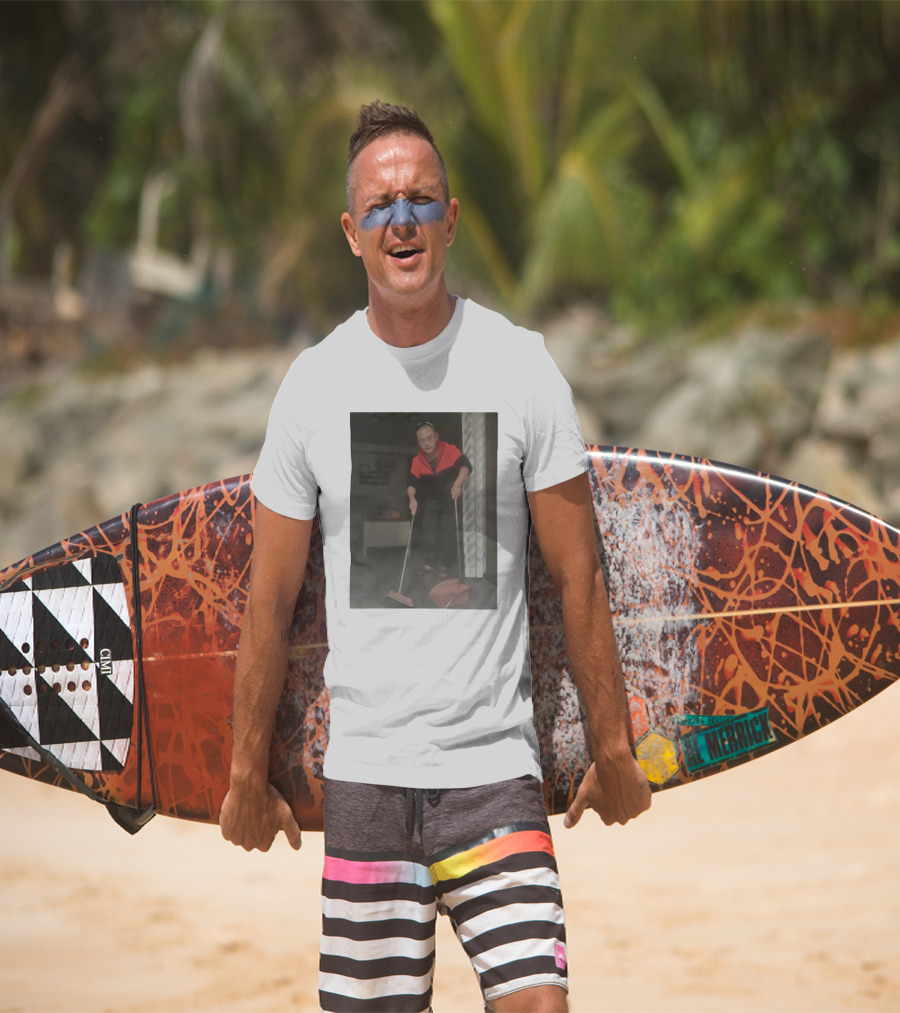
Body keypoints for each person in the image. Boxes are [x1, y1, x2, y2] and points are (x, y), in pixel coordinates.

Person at [220, 100, 651, 1013]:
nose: (402, 220)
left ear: (451, 219)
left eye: (421, 200)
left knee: (540, 1003)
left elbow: (579, 574)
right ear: (351, 232)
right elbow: (269, 600)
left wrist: (612, 746)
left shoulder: (522, 367)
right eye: (380, 206)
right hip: (368, 779)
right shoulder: (314, 387)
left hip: (495, 772)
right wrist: (242, 773)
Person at [407, 421, 471, 577]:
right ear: (418, 442)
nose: (426, 443)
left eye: (429, 438)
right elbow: (411, 483)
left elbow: (466, 466)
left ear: (436, 437)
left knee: (447, 531)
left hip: (450, 494)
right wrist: (412, 498)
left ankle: (444, 564)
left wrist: (458, 483)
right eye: (422, 440)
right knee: (428, 530)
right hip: (431, 497)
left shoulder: (449, 449)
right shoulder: (417, 460)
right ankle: (429, 563)